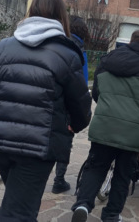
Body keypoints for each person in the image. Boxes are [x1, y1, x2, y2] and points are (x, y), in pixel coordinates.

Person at [0, 0, 92, 222]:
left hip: (0, 141)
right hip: (38, 146)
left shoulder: (4, 46)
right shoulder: (67, 54)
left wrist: (7, 105)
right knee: (18, 213)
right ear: (61, 17)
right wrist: (73, 125)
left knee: (17, 203)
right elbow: (80, 105)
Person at [71, 29, 139, 222]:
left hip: (104, 126)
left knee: (95, 166)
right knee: (123, 174)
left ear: (130, 42)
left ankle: (83, 204)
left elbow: (96, 93)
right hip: (132, 132)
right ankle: (111, 215)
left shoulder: (105, 63)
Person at [51, 16, 91, 194]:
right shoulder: (79, 52)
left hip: (48, 98)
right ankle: (59, 180)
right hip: (66, 105)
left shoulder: (54, 43)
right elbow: (81, 85)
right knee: (65, 140)